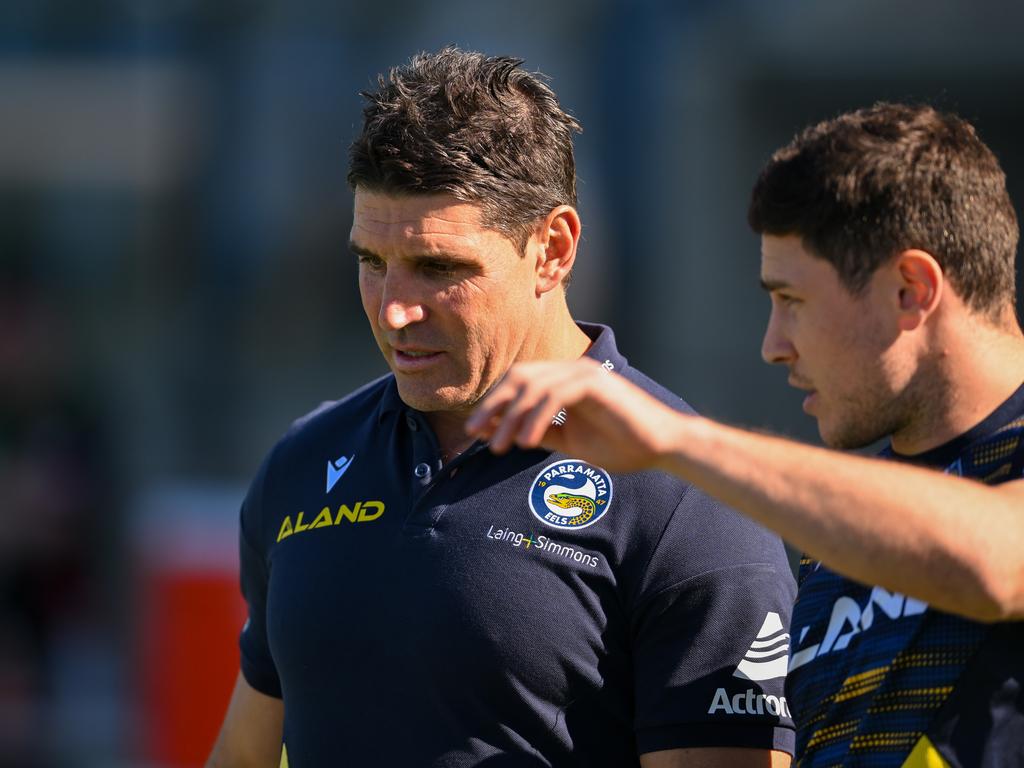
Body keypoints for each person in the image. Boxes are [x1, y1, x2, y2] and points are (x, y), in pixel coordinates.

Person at [206, 47, 796, 768]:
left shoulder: (690, 503)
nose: (393, 312)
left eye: (439, 269)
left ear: (552, 249)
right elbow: (244, 755)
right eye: (371, 262)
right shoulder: (301, 463)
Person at [469, 102, 1024, 767]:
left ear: (911, 289)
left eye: (792, 302)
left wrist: (679, 442)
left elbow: (995, 563)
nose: (773, 346)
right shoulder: (843, 541)